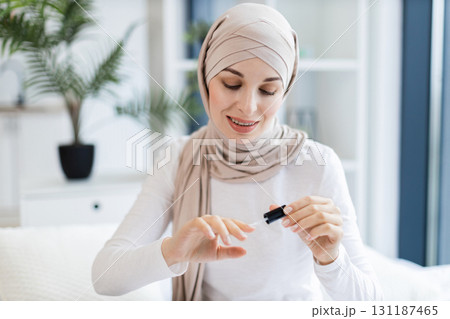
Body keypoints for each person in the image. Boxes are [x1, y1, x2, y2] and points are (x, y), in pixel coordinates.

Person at [92, 3, 383, 301]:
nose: (248, 106)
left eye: (268, 90)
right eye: (232, 83)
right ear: (205, 77)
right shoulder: (177, 160)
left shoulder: (317, 165)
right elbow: (104, 277)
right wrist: (174, 250)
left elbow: (370, 303)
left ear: (285, 91)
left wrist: (331, 258)